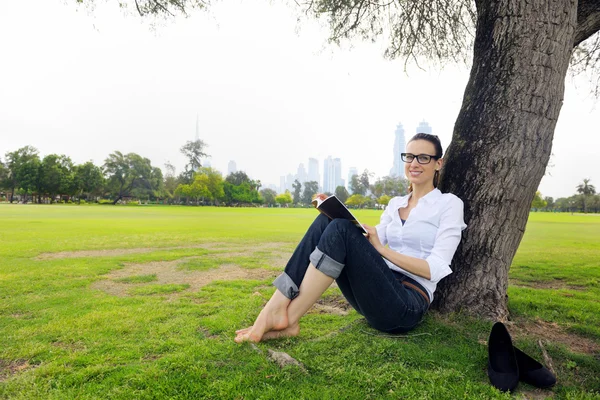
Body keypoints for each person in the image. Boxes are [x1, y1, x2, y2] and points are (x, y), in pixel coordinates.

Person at [235, 133, 466, 343]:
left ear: (438, 163)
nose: (414, 163)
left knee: (341, 229)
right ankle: (278, 310)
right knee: (329, 220)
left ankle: (285, 317)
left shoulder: (449, 204)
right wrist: (337, 211)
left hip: (406, 304)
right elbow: (366, 242)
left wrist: (384, 251)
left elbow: (436, 268)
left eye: (423, 157)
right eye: (409, 157)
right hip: (375, 288)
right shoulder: (395, 204)